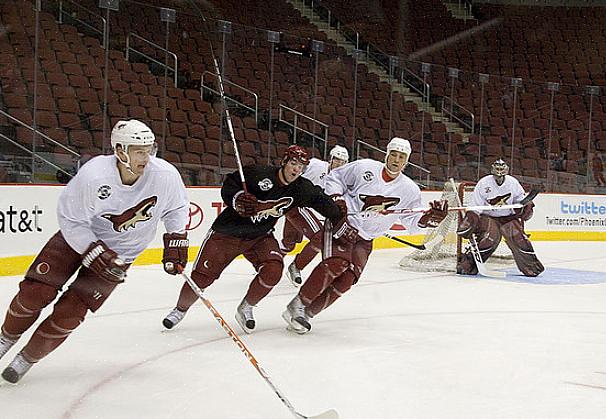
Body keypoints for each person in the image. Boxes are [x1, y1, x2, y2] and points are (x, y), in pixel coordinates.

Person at [0, 119, 190, 383]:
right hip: (74, 241)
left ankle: (27, 358)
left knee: (71, 314)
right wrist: (91, 249)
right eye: (139, 151)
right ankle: (5, 338)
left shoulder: (165, 175)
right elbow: (71, 219)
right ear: (120, 151)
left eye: (149, 149)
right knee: (35, 294)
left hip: (120, 254)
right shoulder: (94, 175)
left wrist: (176, 237)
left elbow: (177, 208)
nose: (146, 157)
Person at [161, 145, 347, 334]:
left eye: (301, 166)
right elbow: (230, 184)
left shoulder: (301, 188)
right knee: (202, 277)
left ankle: (247, 307)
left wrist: (338, 209)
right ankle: (179, 310)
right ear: (284, 162)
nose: (296, 170)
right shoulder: (258, 174)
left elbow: (321, 200)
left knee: (274, 269)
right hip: (227, 232)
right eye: (293, 163)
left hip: (260, 236)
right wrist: (238, 198)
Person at [281, 137, 449, 334]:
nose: (396, 159)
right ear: (386, 154)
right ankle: (298, 305)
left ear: (406, 160)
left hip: (366, 239)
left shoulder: (409, 190)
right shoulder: (365, 167)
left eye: (401, 157)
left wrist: (429, 220)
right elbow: (335, 178)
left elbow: (411, 223)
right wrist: (337, 200)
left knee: (347, 280)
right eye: (393, 154)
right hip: (343, 226)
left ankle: (307, 314)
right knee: (337, 263)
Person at [456, 159, 543, 277]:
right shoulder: (484, 183)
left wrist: (525, 207)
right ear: (492, 170)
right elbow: (475, 206)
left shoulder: (513, 182)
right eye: (497, 170)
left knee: (519, 238)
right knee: (490, 238)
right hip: (488, 217)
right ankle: (468, 264)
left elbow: (520, 201)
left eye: (502, 170)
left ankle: (531, 266)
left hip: (508, 217)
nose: (499, 174)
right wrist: (471, 219)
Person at [281, 145, 349, 287]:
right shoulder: (315, 165)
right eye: (337, 159)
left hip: (302, 209)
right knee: (320, 237)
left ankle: (268, 262)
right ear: (330, 159)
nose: (339, 164)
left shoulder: (342, 182)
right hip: (296, 204)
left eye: (343, 162)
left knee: (289, 243)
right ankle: (295, 267)